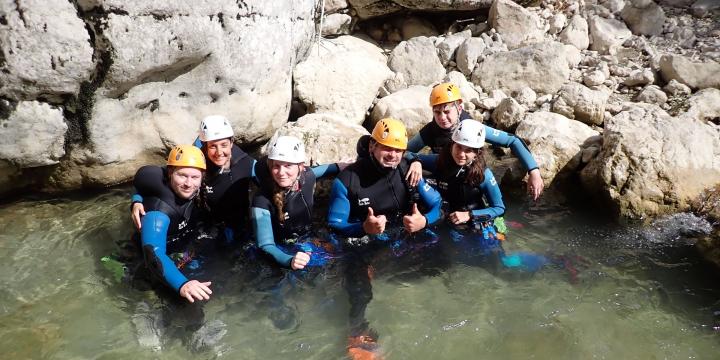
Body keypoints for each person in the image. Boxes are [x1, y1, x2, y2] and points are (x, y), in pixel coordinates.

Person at [327, 118, 442, 359]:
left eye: (398, 150)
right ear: (372, 146)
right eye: (386, 148)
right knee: (360, 290)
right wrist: (363, 228)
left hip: (399, 235)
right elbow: (335, 225)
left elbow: (437, 204)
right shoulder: (348, 180)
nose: (392, 155)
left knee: (441, 263)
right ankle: (357, 333)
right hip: (362, 243)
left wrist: (425, 221)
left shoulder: (408, 170)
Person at [416, 119, 547, 271]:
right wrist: (416, 162)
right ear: (452, 144)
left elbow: (499, 208)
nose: (461, 154)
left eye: (468, 150)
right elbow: (407, 155)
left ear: (477, 153)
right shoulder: (439, 161)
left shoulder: (484, 175)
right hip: (447, 218)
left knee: (499, 266)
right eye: (458, 147)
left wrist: (470, 215)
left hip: (476, 220)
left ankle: (551, 261)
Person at [404, 82, 544, 200]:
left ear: (459, 107)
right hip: (444, 179)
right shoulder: (430, 131)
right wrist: (416, 162)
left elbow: (512, 140)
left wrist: (533, 171)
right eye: (437, 112)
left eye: (447, 112)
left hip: (470, 181)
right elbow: (403, 152)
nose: (442, 117)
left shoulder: (471, 126)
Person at [132, 115, 257, 246]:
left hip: (238, 223)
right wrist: (137, 200)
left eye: (224, 145)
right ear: (204, 146)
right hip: (205, 225)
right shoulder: (194, 164)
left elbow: (268, 177)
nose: (219, 152)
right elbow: (151, 180)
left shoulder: (245, 162)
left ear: (232, 143)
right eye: (213, 146)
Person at [134, 145, 213, 303]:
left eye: (194, 177)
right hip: (157, 265)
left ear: (202, 177)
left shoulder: (195, 191)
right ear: (170, 173)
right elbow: (153, 254)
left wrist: (135, 199)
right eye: (182, 175)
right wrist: (182, 285)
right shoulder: (158, 212)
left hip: (183, 249)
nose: (188, 184)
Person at [251, 135, 345, 270]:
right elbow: (265, 245)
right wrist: (290, 261)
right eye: (276, 166)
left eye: (288, 165)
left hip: (307, 238)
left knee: (340, 258)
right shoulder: (261, 199)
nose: (281, 173)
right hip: (281, 249)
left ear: (301, 167)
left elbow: (318, 170)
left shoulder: (306, 177)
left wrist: (338, 166)